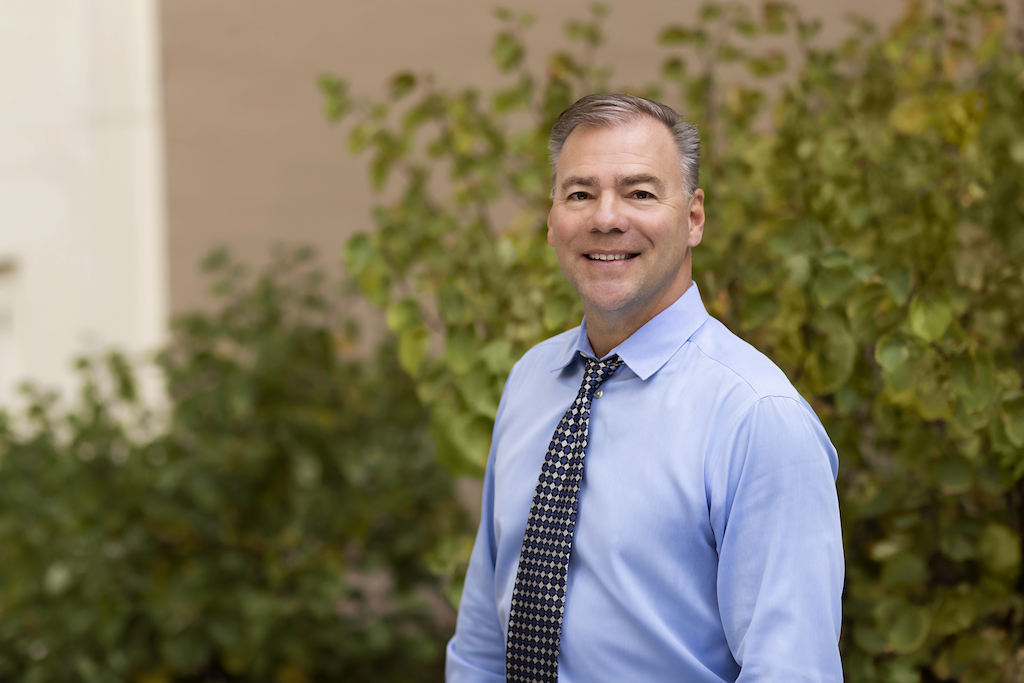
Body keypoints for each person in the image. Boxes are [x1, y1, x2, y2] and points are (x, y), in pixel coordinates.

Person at [445, 93, 844, 682]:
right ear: (552, 220)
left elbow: (791, 671)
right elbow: (482, 640)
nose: (606, 218)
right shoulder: (531, 380)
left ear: (693, 218)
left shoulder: (758, 417)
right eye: (580, 193)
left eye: (639, 192)